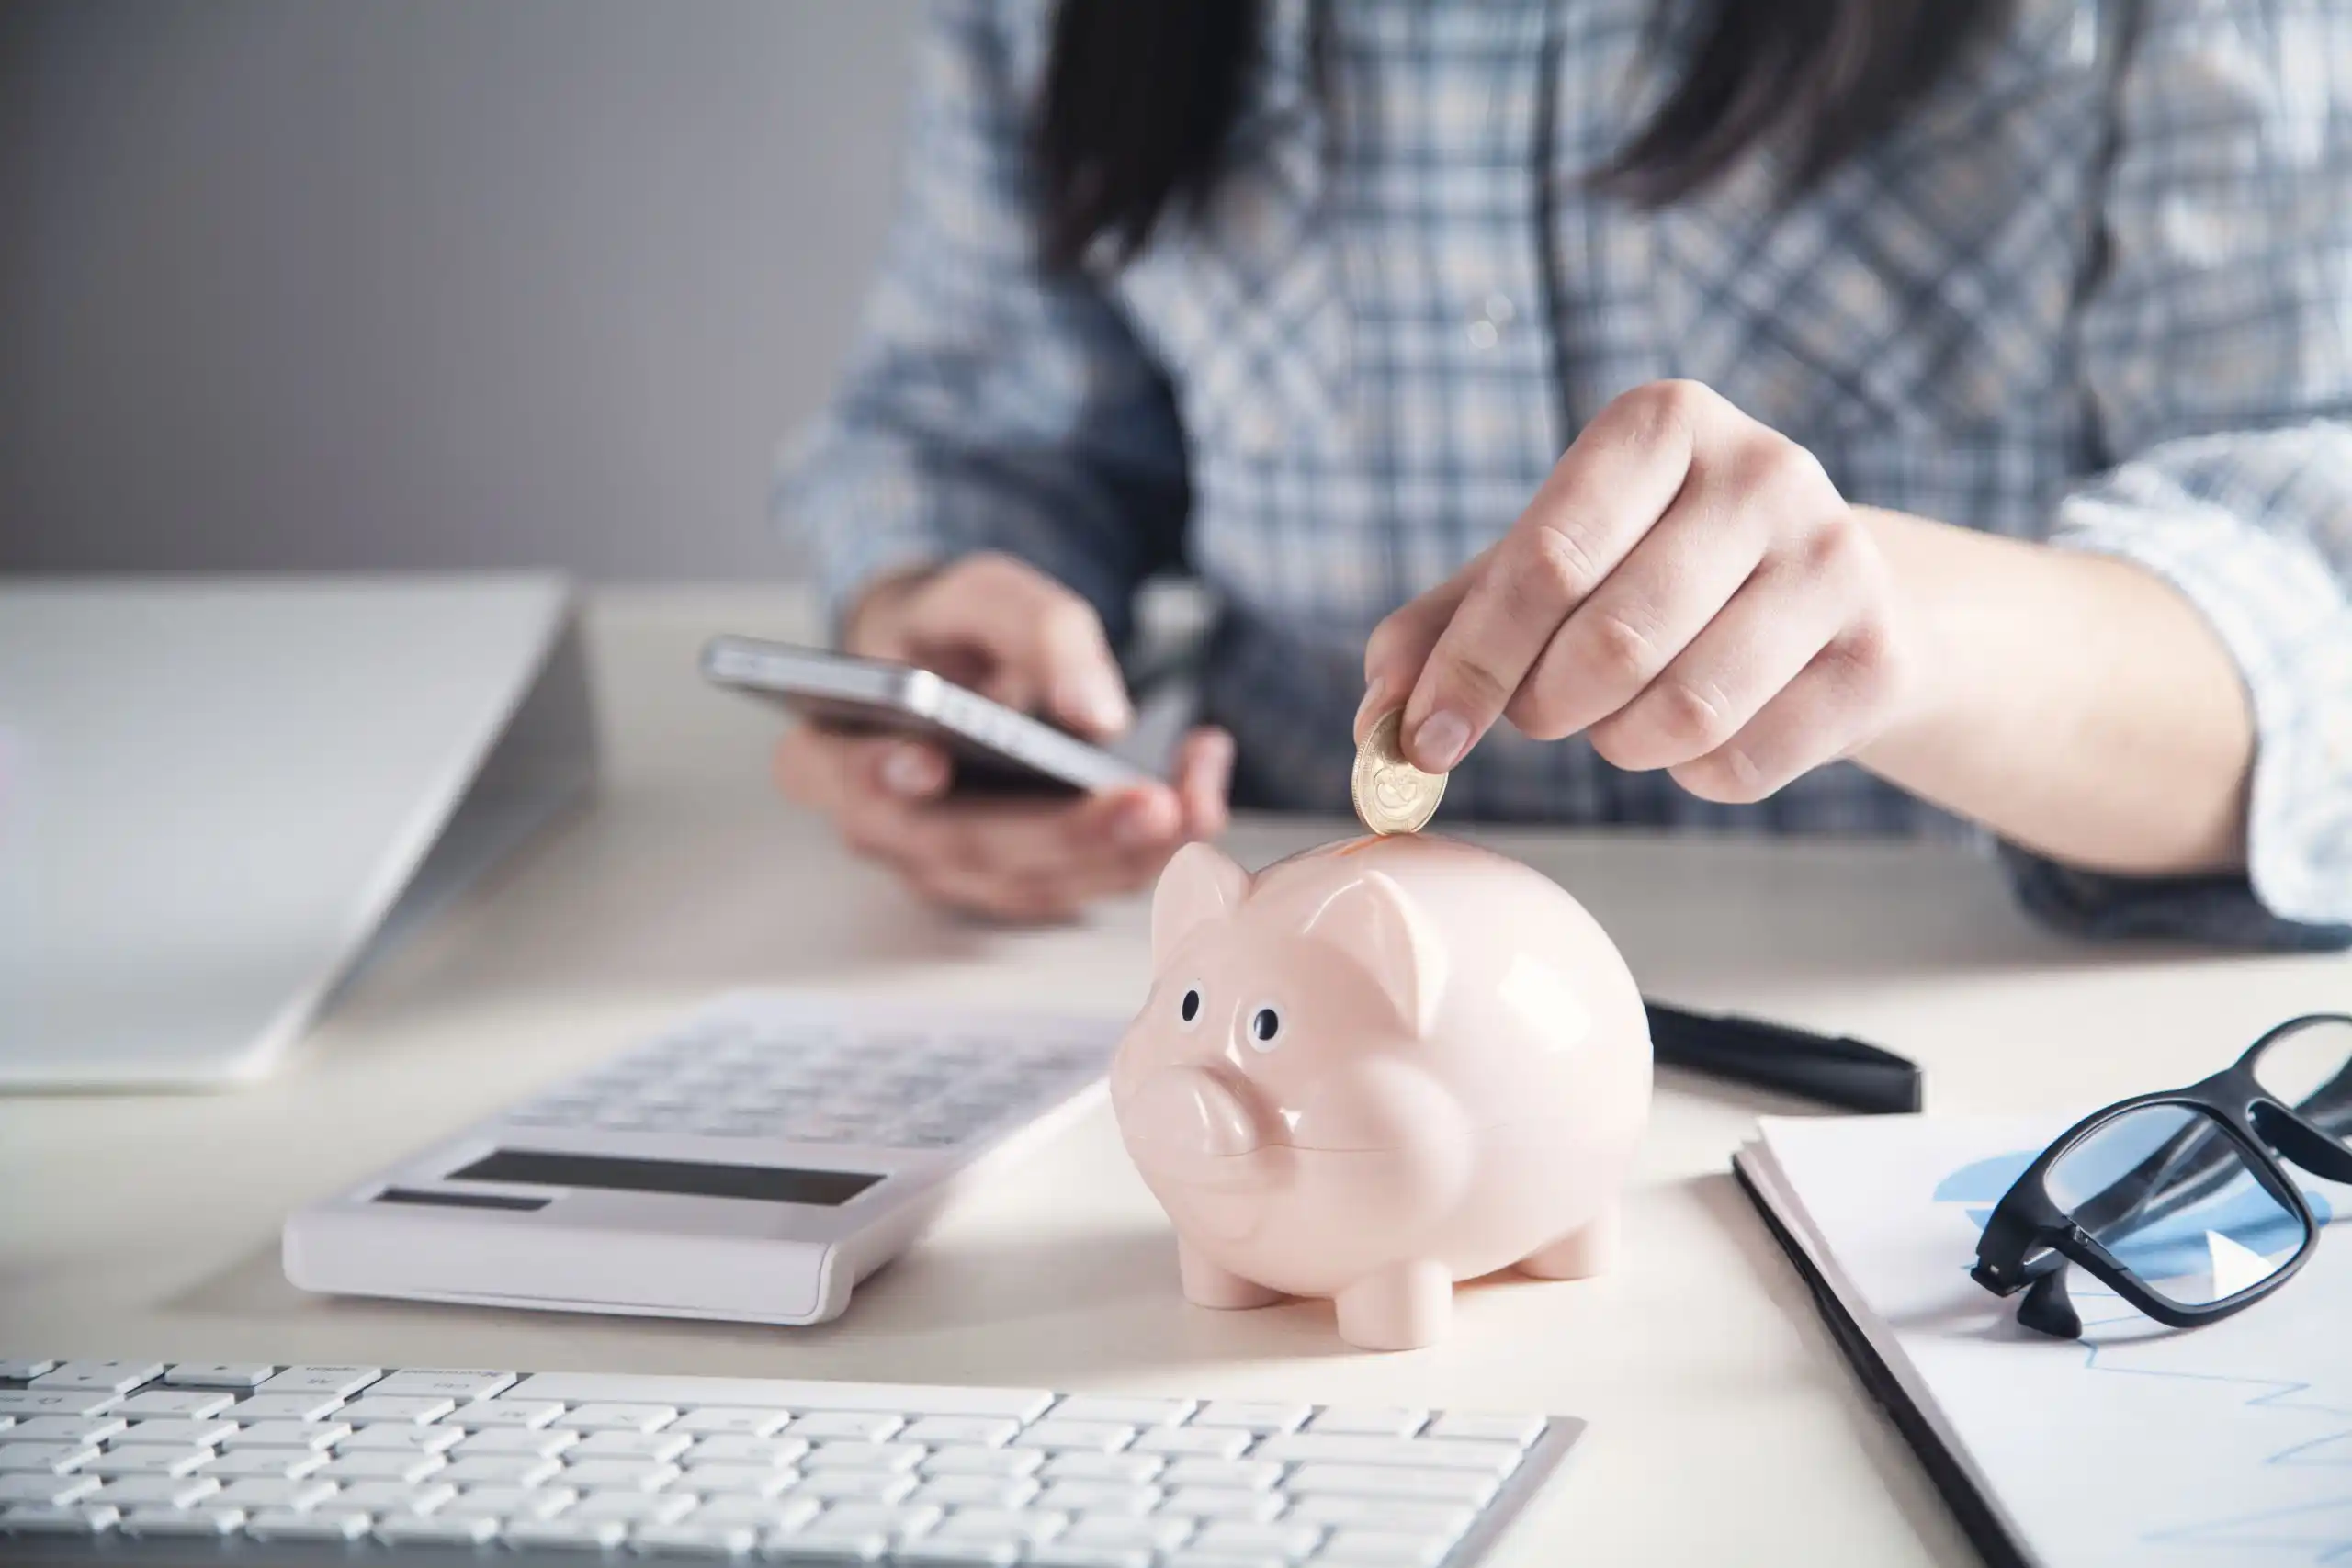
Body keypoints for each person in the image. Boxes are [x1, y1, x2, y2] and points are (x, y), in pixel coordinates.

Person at [774, 0, 2352, 946]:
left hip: (1934, 1002)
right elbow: (978, 431)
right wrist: (940, 640)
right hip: (1283, 964)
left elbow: (2316, 590)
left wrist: (1904, 628)